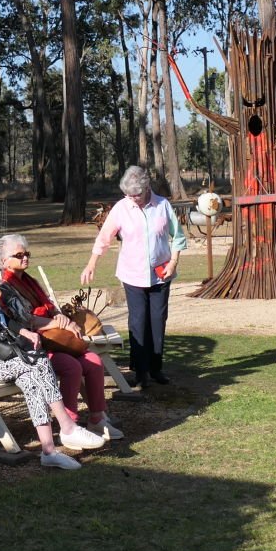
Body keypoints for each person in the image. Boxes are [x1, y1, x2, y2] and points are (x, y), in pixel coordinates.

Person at [0, 237, 105, 470]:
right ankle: (67, 427)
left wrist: (25, 332)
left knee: (30, 377)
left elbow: (3, 320)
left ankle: (48, 450)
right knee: (36, 362)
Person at [0, 234, 122, 440]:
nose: (25, 258)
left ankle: (97, 418)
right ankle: (69, 424)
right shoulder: (4, 288)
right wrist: (58, 323)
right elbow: (24, 320)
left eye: (27, 254)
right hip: (34, 345)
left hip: (57, 339)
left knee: (94, 361)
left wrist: (62, 317)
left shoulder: (29, 280)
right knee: (72, 367)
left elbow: (50, 307)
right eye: (19, 255)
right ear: (4, 260)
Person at [82, 166, 187, 390]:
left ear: (147, 187)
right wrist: (92, 263)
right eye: (128, 195)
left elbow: (178, 237)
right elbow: (104, 237)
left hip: (161, 275)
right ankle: (140, 372)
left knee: (157, 321)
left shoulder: (162, 205)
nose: (132, 199)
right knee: (138, 322)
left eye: (136, 194)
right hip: (132, 274)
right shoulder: (121, 208)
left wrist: (173, 262)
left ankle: (155, 367)